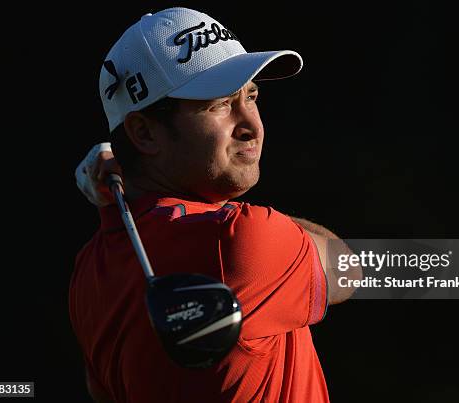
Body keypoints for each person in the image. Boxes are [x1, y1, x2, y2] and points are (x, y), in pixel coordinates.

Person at [70, 7, 361, 403]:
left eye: (251, 97)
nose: (251, 124)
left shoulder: (88, 272)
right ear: (143, 132)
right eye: (220, 104)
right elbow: (349, 269)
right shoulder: (243, 239)